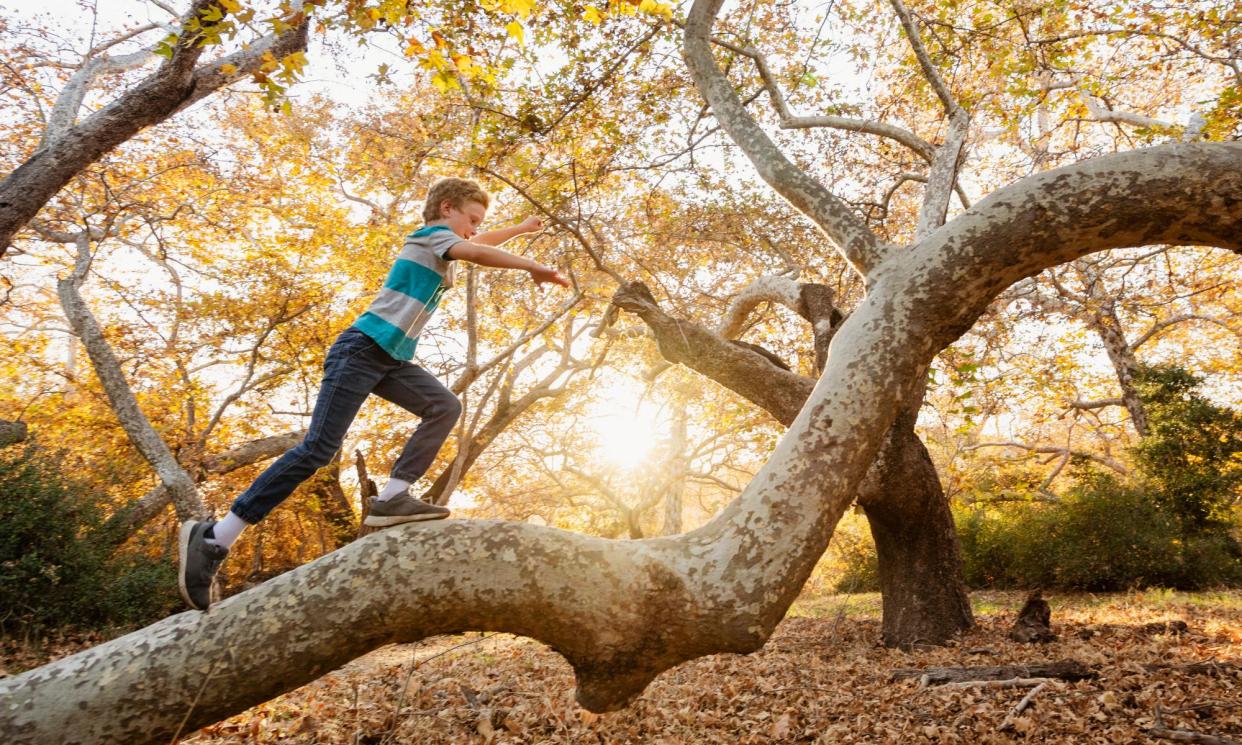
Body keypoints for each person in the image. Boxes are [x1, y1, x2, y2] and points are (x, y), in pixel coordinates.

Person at [178, 177, 569, 610]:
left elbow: (479, 242)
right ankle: (215, 538)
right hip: (362, 349)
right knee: (318, 450)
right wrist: (530, 265)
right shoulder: (429, 237)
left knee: (444, 405)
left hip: (389, 357)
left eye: (479, 224)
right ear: (446, 209)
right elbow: (476, 250)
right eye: (471, 220)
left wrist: (519, 230)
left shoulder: (447, 239)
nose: (474, 230)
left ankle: (390, 498)